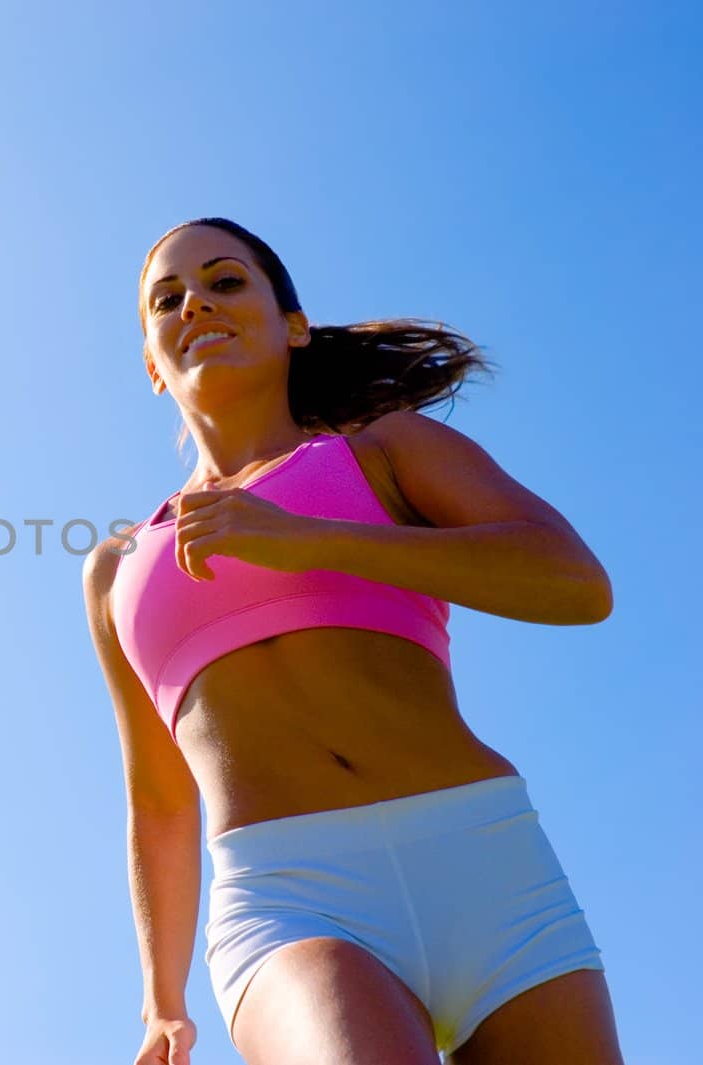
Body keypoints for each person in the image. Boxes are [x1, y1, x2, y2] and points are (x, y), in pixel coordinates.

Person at [81, 217, 624, 1065]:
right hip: (292, 900)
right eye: (166, 299)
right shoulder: (119, 570)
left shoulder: (388, 450)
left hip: (491, 867)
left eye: (226, 282)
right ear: (152, 362)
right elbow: (158, 798)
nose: (195, 303)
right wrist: (161, 1000)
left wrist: (312, 540)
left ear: (292, 325)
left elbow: (576, 584)